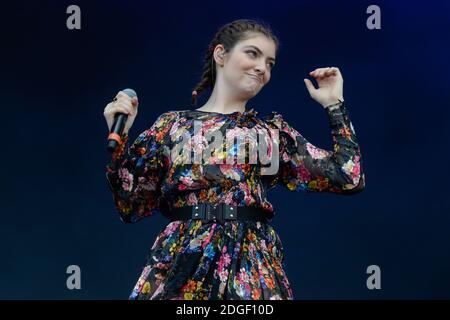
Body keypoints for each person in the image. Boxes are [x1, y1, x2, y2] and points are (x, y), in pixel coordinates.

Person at [103, 18, 365, 300]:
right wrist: (121, 139)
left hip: (250, 266)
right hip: (182, 264)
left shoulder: (270, 134)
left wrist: (334, 105)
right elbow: (130, 206)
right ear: (221, 55)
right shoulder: (172, 127)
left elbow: (348, 177)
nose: (262, 68)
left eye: (270, 63)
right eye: (252, 54)